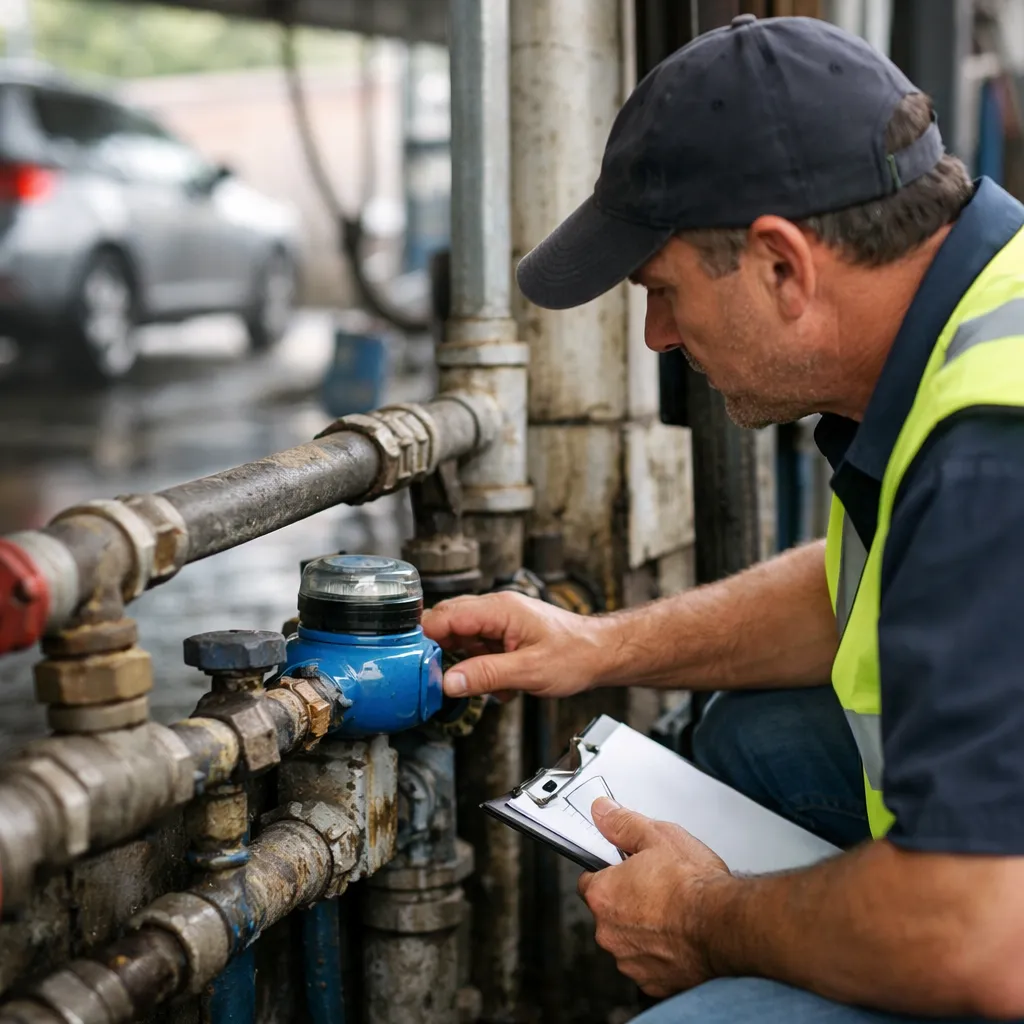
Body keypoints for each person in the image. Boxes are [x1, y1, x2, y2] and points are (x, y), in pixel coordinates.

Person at [422, 14, 1024, 1024]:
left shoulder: (988, 454)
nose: (658, 334)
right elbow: (863, 589)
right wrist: (595, 644)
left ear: (783, 266)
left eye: (662, 290)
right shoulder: (977, 318)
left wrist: (703, 918)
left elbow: (982, 934)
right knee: (754, 739)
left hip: (993, 927)